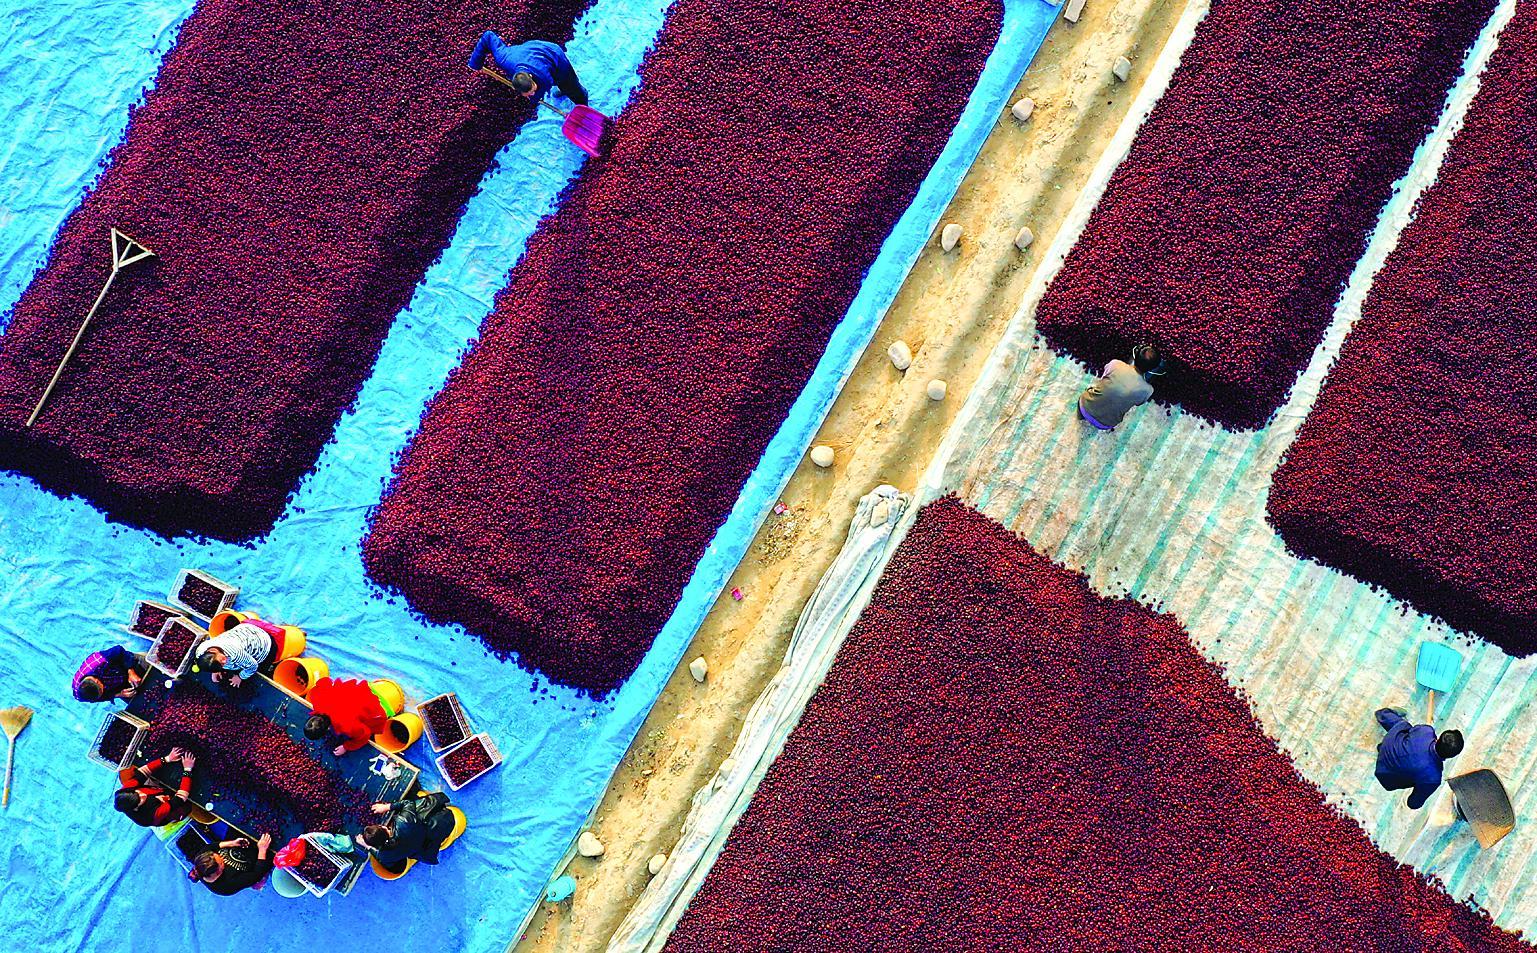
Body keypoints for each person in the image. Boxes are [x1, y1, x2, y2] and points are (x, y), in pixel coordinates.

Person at [1374, 707, 1463, 809]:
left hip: (1388, 745)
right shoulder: (1433, 778)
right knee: (1417, 777)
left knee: (1405, 726)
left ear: (1438, 739)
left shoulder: (1426, 731)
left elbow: (1416, 733)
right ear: (1451, 756)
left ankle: (1382, 714)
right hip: (1385, 776)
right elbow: (1413, 803)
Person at [468, 31, 588, 106]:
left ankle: (582, 101)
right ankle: (566, 90)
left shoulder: (544, 78)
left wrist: (534, 98)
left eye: (533, 89)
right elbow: (488, 36)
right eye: (529, 93)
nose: (533, 92)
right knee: (560, 84)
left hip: (554, 55)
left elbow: (540, 91)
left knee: (569, 84)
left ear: (531, 77)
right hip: (528, 52)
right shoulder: (504, 58)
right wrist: (475, 62)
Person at [357, 791, 457, 873]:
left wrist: (367, 846)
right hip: (444, 821)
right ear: (383, 827)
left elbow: (384, 859)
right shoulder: (403, 822)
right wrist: (387, 807)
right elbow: (408, 803)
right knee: (413, 801)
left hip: (426, 846)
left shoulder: (385, 855)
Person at [1078, 344, 1165, 431]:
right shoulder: (1148, 390)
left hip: (1084, 407)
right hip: (1105, 424)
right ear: (1152, 369)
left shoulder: (1115, 364)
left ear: (1135, 355)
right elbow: (1138, 402)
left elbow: (1104, 376)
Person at [304, 677, 393, 756]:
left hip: (377, 703)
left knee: (373, 720)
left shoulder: (346, 725)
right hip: (359, 689)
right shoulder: (317, 699)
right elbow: (324, 681)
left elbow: (365, 734)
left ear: (327, 729)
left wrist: (346, 747)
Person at [114, 746, 197, 827]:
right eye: (140, 799)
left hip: (157, 792)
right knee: (186, 806)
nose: (142, 795)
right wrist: (187, 769)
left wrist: (167, 759)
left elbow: (143, 772)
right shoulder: (151, 815)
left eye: (137, 793)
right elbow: (181, 798)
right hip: (171, 809)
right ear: (136, 808)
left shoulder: (124, 792)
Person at [186, 832, 274, 896]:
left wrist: (232, 843)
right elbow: (256, 874)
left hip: (240, 844)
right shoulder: (227, 886)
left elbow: (211, 847)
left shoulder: (201, 857)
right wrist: (262, 849)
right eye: (222, 862)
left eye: (218, 855)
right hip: (256, 860)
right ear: (218, 873)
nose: (222, 858)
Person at [196, 621, 279, 688]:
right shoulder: (201, 650)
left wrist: (240, 677)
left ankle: (271, 668)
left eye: (222, 661)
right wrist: (215, 670)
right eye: (221, 664)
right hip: (244, 631)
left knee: (260, 670)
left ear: (214, 650)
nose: (224, 661)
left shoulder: (235, 653)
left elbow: (253, 666)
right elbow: (209, 660)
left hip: (263, 643)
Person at [73, 645, 149, 702]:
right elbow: (99, 697)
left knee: (152, 668)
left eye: (102, 690)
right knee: (139, 701)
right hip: (117, 683)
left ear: (97, 681)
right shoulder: (80, 695)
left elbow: (119, 651)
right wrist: (119, 694)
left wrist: (131, 671)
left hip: (124, 664)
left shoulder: (101, 660)